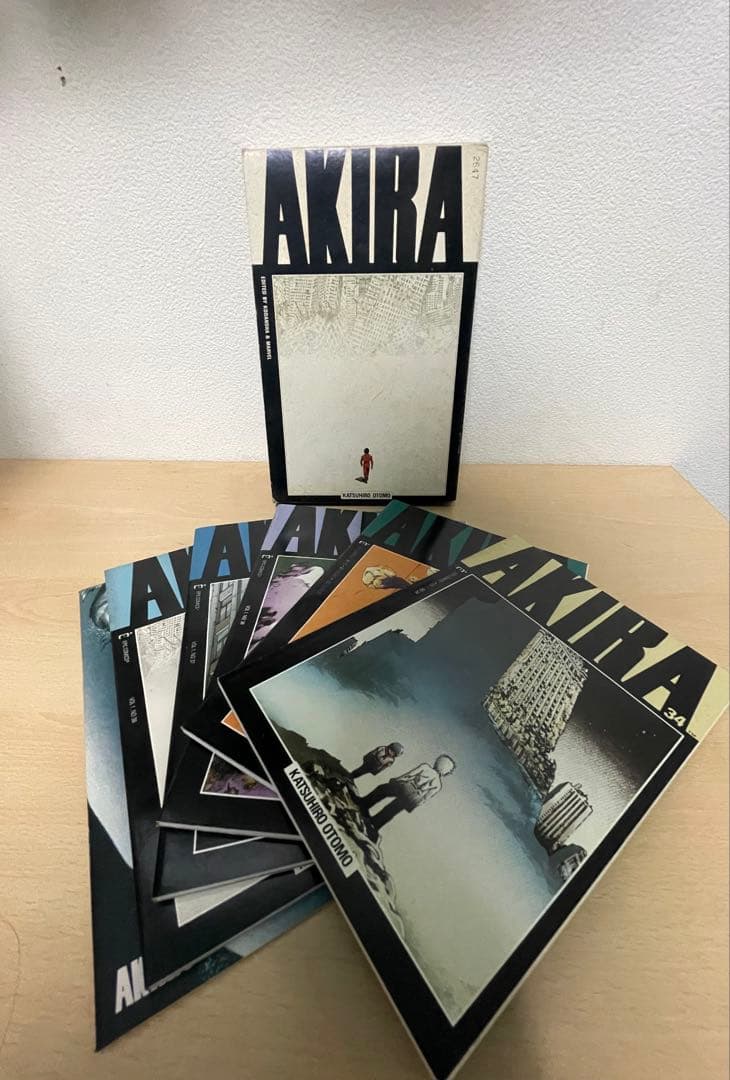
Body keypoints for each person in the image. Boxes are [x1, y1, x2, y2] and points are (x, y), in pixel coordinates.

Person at [361, 755, 456, 831]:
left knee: (382, 789)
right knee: (391, 810)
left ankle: (364, 804)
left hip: (405, 787)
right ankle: (373, 824)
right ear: (446, 771)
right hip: (411, 798)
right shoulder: (438, 785)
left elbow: (410, 775)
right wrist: (414, 805)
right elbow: (424, 798)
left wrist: (397, 780)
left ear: (438, 762)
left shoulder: (425, 767)